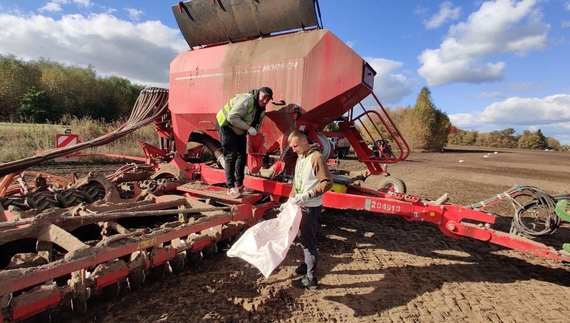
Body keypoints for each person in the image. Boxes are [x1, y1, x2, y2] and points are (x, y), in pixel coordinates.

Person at [286, 130, 333, 290]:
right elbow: (296, 183)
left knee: (308, 242)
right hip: (301, 207)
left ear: (304, 141)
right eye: (292, 147)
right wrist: (290, 199)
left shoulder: (316, 158)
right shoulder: (301, 158)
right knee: (301, 238)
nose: (293, 150)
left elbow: (327, 182)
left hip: (310, 208)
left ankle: (311, 279)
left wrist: (309, 195)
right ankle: (307, 266)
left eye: (295, 146)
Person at [216, 87, 273, 197]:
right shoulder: (247, 100)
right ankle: (230, 187)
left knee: (242, 155)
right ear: (258, 93)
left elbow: (258, 123)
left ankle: (239, 185)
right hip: (226, 125)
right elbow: (231, 117)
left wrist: (254, 131)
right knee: (230, 155)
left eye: (268, 99)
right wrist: (248, 128)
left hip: (240, 128)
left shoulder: (261, 109)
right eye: (264, 97)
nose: (265, 101)